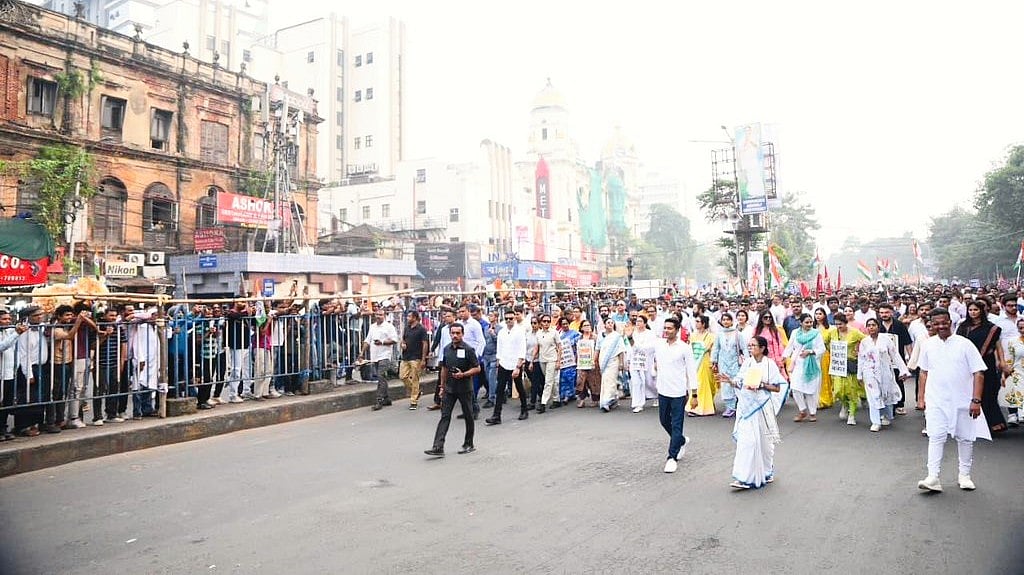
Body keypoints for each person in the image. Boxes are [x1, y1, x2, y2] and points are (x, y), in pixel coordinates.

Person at [917, 308, 989, 492]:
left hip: (963, 400)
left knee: (965, 438)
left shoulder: (964, 344)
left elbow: (978, 373)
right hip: (936, 399)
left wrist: (976, 400)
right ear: (931, 325)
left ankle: (964, 475)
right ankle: (933, 477)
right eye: (936, 323)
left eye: (944, 322)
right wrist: (921, 398)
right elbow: (923, 372)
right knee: (935, 436)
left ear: (950, 322)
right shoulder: (928, 345)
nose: (941, 326)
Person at [721, 335, 789, 489]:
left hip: (763, 407)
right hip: (746, 408)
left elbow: (777, 387)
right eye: (749, 345)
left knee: (765, 444)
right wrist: (730, 381)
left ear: (762, 348)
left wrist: (761, 385)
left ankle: (766, 471)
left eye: (753, 345)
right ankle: (744, 477)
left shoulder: (770, 364)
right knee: (747, 442)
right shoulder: (747, 363)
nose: (750, 348)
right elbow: (740, 381)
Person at [424, 324, 481, 457]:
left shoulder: (468, 349)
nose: (455, 335)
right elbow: (444, 368)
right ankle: (438, 446)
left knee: (468, 415)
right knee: (445, 416)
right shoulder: (447, 349)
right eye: (453, 333)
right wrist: (442, 387)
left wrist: (464, 374)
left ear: (462, 334)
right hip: (450, 389)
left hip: (465, 388)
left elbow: (477, 368)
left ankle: (469, 443)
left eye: (458, 333)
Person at [652, 317, 699, 474]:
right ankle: (681, 440)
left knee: (677, 424)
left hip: (678, 392)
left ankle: (671, 457)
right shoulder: (659, 345)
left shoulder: (684, 348)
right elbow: (642, 347)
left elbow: (691, 371)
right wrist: (630, 336)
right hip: (662, 390)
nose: (666, 331)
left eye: (670, 328)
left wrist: (694, 394)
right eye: (665, 328)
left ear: (677, 330)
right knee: (664, 421)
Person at [955, 300, 1007, 433]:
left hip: (985, 363)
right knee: (967, 391)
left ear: (981, 311)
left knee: (987, 393)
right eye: (970, 310)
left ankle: (992, 423)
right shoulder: (963, 326)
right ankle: (969, 424)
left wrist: (1001, 361)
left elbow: (994, 345)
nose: (973, 313)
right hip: (965, 363)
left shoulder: (992, 328)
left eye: (975, 310)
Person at [858, 318, 911, 432]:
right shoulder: (864, 342)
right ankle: (875, 421)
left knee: (886, 394)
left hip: (885, 371)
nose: (871, 327)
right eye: (869, 325)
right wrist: (859, 375)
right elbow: (861, 359)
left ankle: (886, 415)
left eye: (873, 325)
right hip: (869, 372)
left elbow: (895, 355)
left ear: (878, 327)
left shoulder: (886, 339)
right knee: (873, 396)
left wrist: (903, 370)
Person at [487, 310, 528, 424]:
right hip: (503, 363)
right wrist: (498, 364)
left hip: (515, 364)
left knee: (519, 387)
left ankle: (524, 410)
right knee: (499, 389)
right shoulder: (502, 332)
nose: (509, 320)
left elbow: (522, 349)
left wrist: (518, 366)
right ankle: (496, 415)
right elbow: (499, 348)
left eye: (511, 318)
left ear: (514, 319)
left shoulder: (519, 332)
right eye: (507, 319)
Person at [783, 313, 826, 422]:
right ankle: (802, 410)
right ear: (801, 323)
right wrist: (784, 357)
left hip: (812, 364)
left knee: (811, 390)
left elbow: (822, 349)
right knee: (795, 388)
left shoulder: (816, 333)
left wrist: (810, 352)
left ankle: (812, 412)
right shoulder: (795, 333)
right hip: (798, 364)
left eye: (811, 322)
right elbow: (790, 346)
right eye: (806, 322)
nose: (809, 324)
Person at [829, 313, 866, 425]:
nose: (838, 326)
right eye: (836, 324)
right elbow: (824, 341)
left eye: (840, 324)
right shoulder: (832, 332)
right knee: (838, 390)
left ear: (845, 323)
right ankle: (844, 404)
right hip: (838, 365)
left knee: (851, 390)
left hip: (850, 363)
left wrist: (859, 352)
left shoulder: (854, 332)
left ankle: (852, 414)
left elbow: (866, 340)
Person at [362, 309, 398, 411]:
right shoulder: (372, 327)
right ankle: (386, 398)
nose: (378, 316)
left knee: (381, 377)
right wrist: (361, 353)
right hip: (375, 355)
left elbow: (394, 340)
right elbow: (367, 340)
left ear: (384, 316)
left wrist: (382, 342)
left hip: (385, 355)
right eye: (377, 314)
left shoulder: (389, 327)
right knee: (382, 378)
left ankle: (379, 400)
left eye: (381, 315)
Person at [711, 312, 745, 418]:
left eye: (728, 319)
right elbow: (716, 348)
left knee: (736, 382)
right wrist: (714, 361)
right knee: (725, 384)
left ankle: (739, 405)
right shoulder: (719, 334)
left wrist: (748, 362)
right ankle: (730, 407)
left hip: (735, 362)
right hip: (723, 362)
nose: (725, 321)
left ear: (731, 321)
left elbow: (744, 348)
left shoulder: (738, 334)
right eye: (724, 320)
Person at [687, 315, 718, 416]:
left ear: (703, 324)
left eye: (698, 321)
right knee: (698, 383)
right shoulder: (692, 335)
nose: (696, 323)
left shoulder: (711, 336)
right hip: (695, 362)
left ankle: (708, 405)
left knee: (708, 384)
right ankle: (696, 407)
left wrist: (714, 362)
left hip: (706, 361)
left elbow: (713, 350)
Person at [627, 314, 657, 413]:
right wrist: (628, 360)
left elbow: (651, 348)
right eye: (637, 321)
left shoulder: (650, 334)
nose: (638, 323)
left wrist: (638, 347)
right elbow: (629, 348)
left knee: (649, 381)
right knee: (636, 382)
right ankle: (638, 404)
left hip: (647, 361)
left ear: (645, 323)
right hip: (635, 361)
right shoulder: (633, 333)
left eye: (640, 321)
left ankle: (656, 395)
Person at [400, 311, 429, 410]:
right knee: (403, 376)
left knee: (415, 378)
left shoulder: (421, 329)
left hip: (416, 357)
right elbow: (403, 340)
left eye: (409, 316)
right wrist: (402, 344)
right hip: (406, 356)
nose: (407, 318)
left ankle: (413, 401)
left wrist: (423, 359)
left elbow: (425, 343)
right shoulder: (407, 328)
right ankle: (416, 391)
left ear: (415, 318)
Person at [597, 317, 627, 412]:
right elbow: (597, 349)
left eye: (612, 323)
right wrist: (594, 360)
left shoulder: (617, 336)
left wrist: (621, 362)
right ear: (604, 325)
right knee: (605, 381)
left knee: (611, 381)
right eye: (608, 323)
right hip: (603, 361)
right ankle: (613, 399)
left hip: (613, 361)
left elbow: (621, 350)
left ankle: (606, 401)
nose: (610, 324)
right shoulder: (600, 336)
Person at [574, 320, 600, 408]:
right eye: (585, 325)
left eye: (588, 325)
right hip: (582, 363)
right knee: (581, 381)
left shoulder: (595, 338)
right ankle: (582, 399)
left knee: (594, 381)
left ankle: (595, 399)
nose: (587, 327)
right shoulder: (578, 339)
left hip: (593, 362)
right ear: (581, 328)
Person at [814, 308, 834, 409]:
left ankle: (826, 399)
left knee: (825, 377)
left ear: (824, 315)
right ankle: (816, 400)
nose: (818, 316)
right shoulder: (812, 328)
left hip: (825, 354)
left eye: (820, 314)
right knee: (815, 378)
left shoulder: (830, 328)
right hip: (813, 355)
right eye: (816, 314)